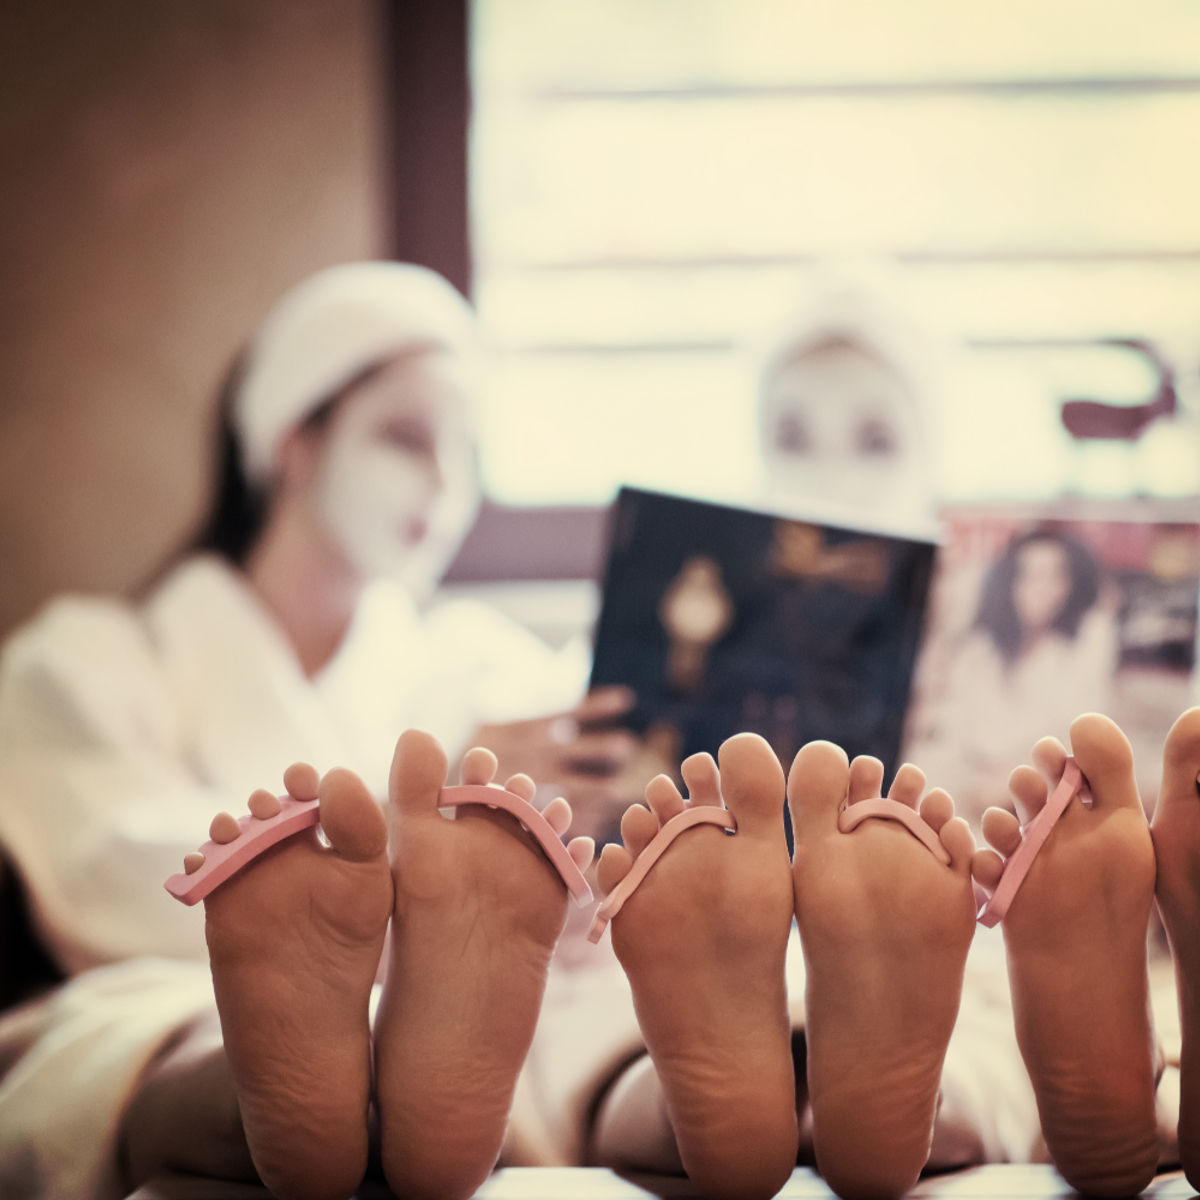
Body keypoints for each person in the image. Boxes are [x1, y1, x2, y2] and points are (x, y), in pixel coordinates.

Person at [0, 261, 638, 1197]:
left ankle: (727, 1092)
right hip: (172, 995)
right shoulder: (90, 658)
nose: (443, 485)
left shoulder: (471, 667)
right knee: (152, 1026)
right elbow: (105, 874)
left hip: (478, 1032)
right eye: (407, 437)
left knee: (582, 1017)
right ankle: (297, 1084)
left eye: (466, 454)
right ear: (291, 439)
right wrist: (401, 836)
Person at [916, 528, 1116, 831]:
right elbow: (949, 726)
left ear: (1072, 584)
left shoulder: (1083, 644)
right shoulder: (983, 647)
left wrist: (1005, 783)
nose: (1040, 588)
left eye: (1054, 576)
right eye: (1028, 575)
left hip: (1032, 799)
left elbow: (1077, 734)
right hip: (962, 785)